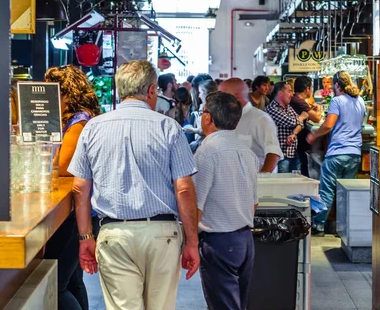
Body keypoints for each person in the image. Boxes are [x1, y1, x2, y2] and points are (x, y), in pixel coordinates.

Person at [69, 60, 200, 310]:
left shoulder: (92, 128)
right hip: (163, 235)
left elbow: (80, 188)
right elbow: (183, 189)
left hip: (114, 235)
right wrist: (192, 242)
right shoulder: (168, 127)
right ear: (151, 90)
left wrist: (85, 236)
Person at [193, 91, 260, 310]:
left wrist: (189, 244)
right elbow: (254, 203)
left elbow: (196, 208)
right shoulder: (247, 152)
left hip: (219, 242)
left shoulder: (207, 152)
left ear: (208, 118)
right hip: (245, 241)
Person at [44, 65, 102, 310]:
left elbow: (65, 166)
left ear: (66, 92)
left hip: (75, 215)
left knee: (56, 286)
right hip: (81, 212)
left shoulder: (78, 122)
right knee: (73, 281)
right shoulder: (80, 119)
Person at [307, 71, 366, 236]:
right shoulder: (360, 100)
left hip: (337, 153)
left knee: (327, 191)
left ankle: (318, 226)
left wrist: (314, 135)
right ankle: (345, 227)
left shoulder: (337, 101)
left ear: (337, 85)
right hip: (354, 154)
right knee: (346, 192)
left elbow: (328, 125)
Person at [220, 78, 283, 173]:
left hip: (255, 183)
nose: (218, 101)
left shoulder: (260, 119)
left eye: (222, 96)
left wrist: (261, 180)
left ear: (235, 97)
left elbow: (273, 153)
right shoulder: (226, 118)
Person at [266, 82, 308, 173]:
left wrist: (293, 133)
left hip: (293, 153)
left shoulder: (288, 107)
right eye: (289, 91)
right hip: (280, 155)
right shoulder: (272, 109)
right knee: (283, 184)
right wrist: (302, 116)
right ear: (280, 93)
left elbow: (301, 125)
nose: (292, 95)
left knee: (295, 183)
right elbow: (291, 122)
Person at [290, 76, 323, 177]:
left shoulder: (297, 100)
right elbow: (316, 118)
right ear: (307, 89)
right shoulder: (298, 101)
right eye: (311, 88)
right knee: (301, 167)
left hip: (296, 142)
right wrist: (318, 109)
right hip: (297, 142)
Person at [186, 79, 219, 152]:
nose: (199, 95)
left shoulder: (210, 109)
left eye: (200, 92)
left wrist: (192, 129)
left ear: (207, 93)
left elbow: (206, 129)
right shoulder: (212, 107)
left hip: (207, 146)